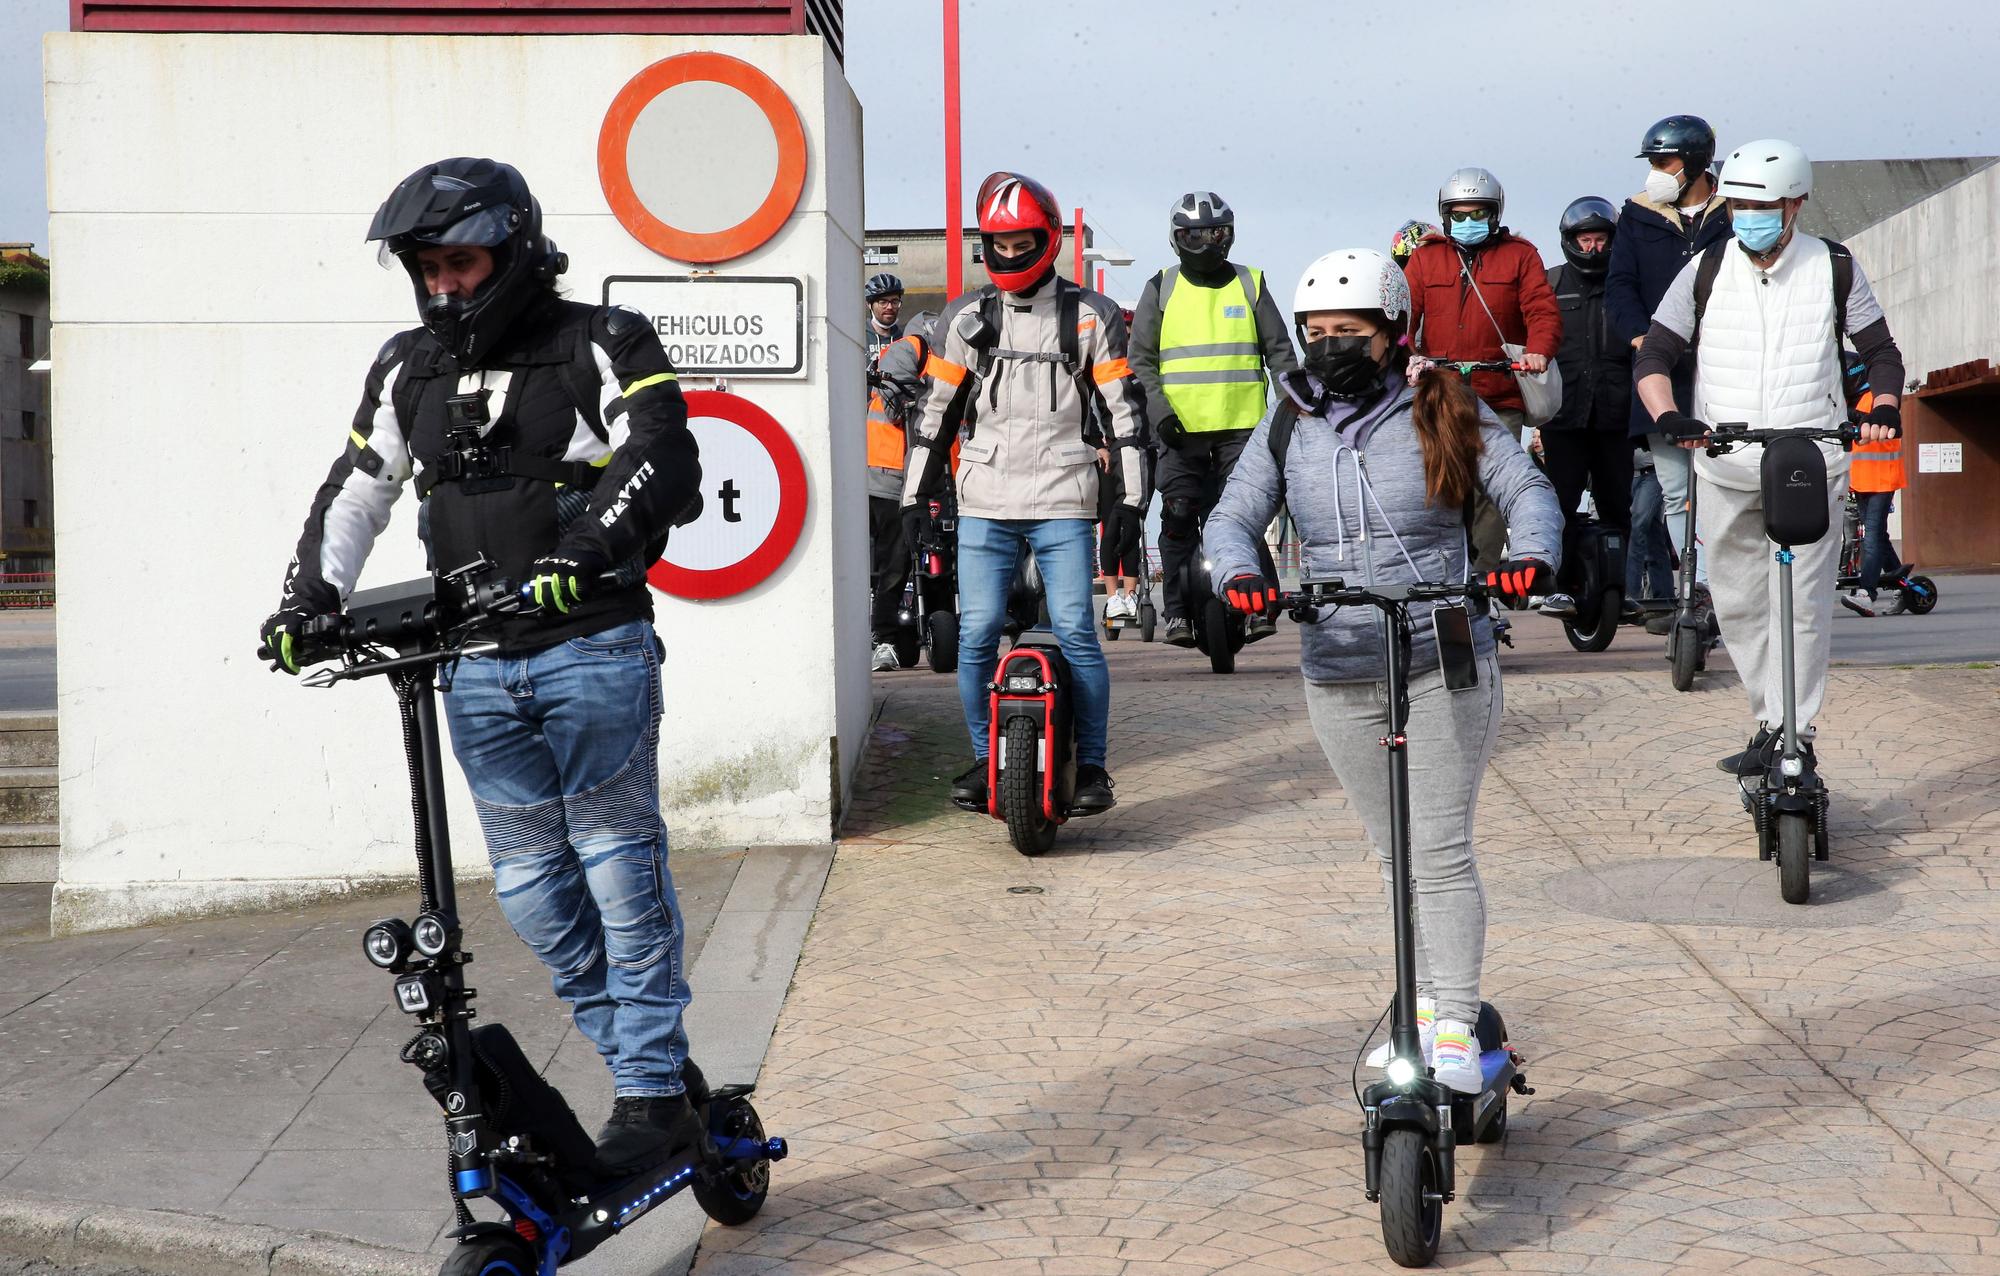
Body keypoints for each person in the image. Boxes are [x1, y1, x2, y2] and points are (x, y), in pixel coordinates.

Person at [258, 158, 707, 1174]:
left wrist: (579, 552)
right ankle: (652, 1062)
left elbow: (663, 454)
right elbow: (363, 485)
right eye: (428, 269)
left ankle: (644, 1091)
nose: (443, 286)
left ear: (509, 249)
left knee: (616, 867)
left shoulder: (601, 338)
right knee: (531, 892)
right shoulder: (405, 365)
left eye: (459, 262)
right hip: (469, 663)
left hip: (590, 648)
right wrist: (307, 600)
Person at [1203, 248, 1560, 1092]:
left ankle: (1451, 1023)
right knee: (1392, 852)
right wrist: (1240, 575)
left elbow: (1526, 490)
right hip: (1338, 660)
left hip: (1443, 651)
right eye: (1316, 333)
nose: (1330, 348)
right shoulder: (1287, 418)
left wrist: (1532, 557)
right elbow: (1233, 515)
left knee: (1436, 852)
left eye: (1350, 333)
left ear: (1393, 333)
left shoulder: (1448, 402)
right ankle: (1421, 1004)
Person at [1634, 139, 1904, 776]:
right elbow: (1654, 355)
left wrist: (1883, 407)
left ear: (1796, 203)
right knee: (1740, 601)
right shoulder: (1704, 269)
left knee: (1804, 604)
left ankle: (1795, 730)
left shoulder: (1833, 266)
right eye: (1739, 204)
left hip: (1812, 462)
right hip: (1726, 462)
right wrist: (1669, 416)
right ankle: (1768, 719)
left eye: (1763, 204)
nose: (1747, 215)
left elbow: (1882, 351)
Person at [901, 171, 1147, 814]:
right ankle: (987, 762)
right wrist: (910, 503)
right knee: (976, 633)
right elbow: (934, 416)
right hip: (984, 498)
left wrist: (1130, 502)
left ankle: (1092, 768)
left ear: (1047, 239)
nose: (1010, 254)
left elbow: (1126, 416)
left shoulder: (1091, 317)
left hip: (1066, 496)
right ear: (987, 244)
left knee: (1074, 629)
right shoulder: (964, 318)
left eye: (1022, 242)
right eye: (998, 243)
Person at [1129, 191, 1298, 647]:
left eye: (1215, 234)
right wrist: (1159, 414)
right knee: (1179, 517)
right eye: (1192, 235)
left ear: (1230, 235)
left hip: (1242, 431)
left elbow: (1281, 356)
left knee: (1242, 516)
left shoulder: (1250, 283)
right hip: (1179, 433)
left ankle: (1262, 604)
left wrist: (1291, 414)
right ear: (1175, 238)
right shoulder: (1160, 287)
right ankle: (1178, 614)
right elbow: (1140, 360)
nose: (1204, 244)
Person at [1605, 115, 1732, 633]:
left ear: (1698, 162)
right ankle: (1694, 588)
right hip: (1662, 376)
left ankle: (1735, 584)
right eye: (1652, 162)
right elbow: (1620, 287)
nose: (1656, 172)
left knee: (1731, 484)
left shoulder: (1736, 210)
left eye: (1665, 161)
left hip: (1727, 370)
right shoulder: (1636, 216)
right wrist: (1642, 338)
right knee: (1676, 489)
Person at [1402, 167, 1562, 575]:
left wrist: (1539, 351)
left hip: (1499, 393)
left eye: (1478, 214)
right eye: (1459, 214)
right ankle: (1441, 572)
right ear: (1445, 215)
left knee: (1492, 488)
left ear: (1495, 214)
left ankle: (1484, 578)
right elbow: (1403, 316)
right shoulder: (1425, 257)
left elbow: (1541, 310)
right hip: (1438, 393)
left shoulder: (1521, 255)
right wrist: (1407, 355)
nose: (1468, 222)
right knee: (1438, 483)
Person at [1537, 197, 1632, 619]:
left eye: (1600, 239)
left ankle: (1622, 585)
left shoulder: (1628, 286)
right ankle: (1556, 586)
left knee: (1619, 506)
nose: (1593, 247)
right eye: (1585, 239)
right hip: (1564, 419)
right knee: (1558, 503)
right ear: (1570, 241)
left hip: (1617, 419)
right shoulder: (1549, 285)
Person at [865, 308, 935, 669]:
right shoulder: (910, 349)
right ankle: (883, 637)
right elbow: (895, 408)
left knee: (899, 564)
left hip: (921, 481)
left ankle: (889, 634)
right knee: (889, 565)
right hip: (886, 478)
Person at [1837, 351, 1917, 616]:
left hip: (1882, 479)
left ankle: (1866, 594)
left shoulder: (1877, 398)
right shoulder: (1857, 399)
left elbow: (1865, 428)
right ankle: (1904, 585)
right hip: (1862, 481)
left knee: (1870, 539)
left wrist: (1850, 417)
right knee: (1878, 538)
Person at [1626, 446, 1675, 610]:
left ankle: (1630, 594)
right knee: (1653, 535)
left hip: (1652, 473)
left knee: (1637, 527)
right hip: (1627, 473)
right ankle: (1665, 597)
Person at [865, 271, 905, 362]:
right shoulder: (859, 337)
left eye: (895, 302)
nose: (890, 307)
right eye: (883, 302)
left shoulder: (905, 338)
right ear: (869, 304)